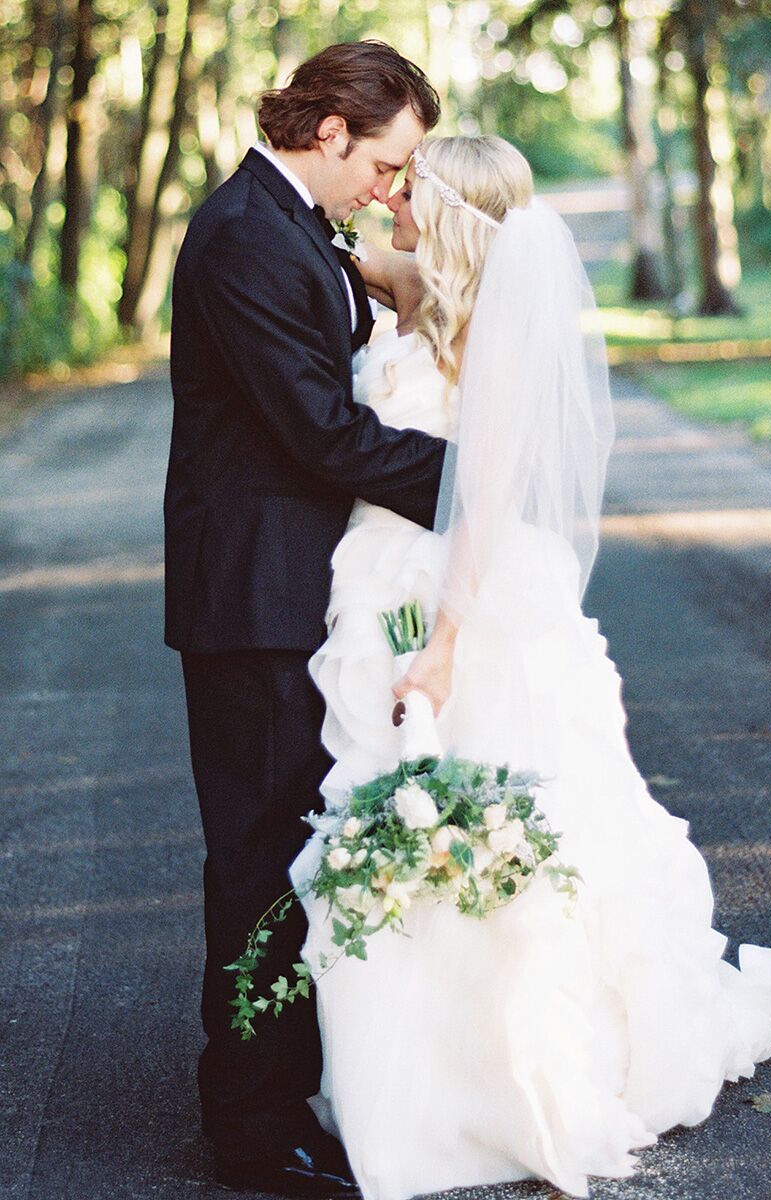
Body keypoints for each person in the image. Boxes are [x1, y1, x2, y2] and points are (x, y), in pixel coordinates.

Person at [290, 135, 771, 1200]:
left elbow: (484, 504)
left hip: (469, 611)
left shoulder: (496, 339)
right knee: (400, 813)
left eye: (412, 190)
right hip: (379, 591)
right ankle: (411, 1076)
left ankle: (506, 1075)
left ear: (448, 210)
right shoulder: (432, 297)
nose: (393, 199)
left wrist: (445, 649)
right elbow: (400, 274)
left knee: (496, 816)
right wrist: (364, 256)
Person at [164, 41, 451, 1198]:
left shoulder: (293, 225)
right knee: (257, 861)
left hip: (295, 584)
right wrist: (483, 481)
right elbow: (323, 436)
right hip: (253, 594)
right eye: (388, 161)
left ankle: (287, 1085)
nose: (391, 187)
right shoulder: (243, 237)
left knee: (293, 846)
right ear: (330, 131)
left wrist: (388, 277)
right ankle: (248, 1124)